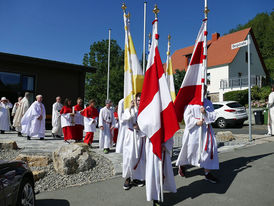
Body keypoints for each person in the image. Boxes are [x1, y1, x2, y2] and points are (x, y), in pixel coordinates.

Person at [176, 86, 219, 183]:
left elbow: (213, 116)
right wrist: (196, 122)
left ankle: (207, 173)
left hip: (205, 131)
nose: (202, 91)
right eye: (200, 89)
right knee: (189, 150)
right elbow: (186, 117)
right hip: (193, 132)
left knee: (208, 150)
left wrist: (205, 113)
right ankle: (182, 165)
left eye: (204, 89)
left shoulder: (207, 102)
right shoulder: (190, 102)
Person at [122, 93, 146, 190]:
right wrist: (129, 108)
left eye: (140, 100)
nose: (139, 102)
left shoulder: (144, 110)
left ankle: (137, 178)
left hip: (139, 135)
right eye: (138, 100)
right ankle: (127, 178)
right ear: (135, 100)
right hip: (130, 136)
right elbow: (125, 118)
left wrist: (140, 127)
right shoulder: (130, 109)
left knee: (139, 158)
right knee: (128, 157)